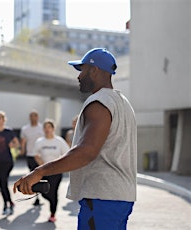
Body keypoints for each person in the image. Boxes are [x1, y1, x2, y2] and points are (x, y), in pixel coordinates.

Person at [14, 48, 137, 229]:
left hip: (102, 197)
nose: (78, 77)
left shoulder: (99, 103)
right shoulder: (123, 103)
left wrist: (39, 172)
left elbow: (87, 152)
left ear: (94, 71)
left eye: (82, 70)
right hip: (120, 197)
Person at [33, 119, 70, 223]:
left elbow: (67, 154)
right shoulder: (40, 141)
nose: (47, 129)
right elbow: (36, 154)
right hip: (44, 171)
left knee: (53, 192)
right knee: (43, 192)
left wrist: (60, 165)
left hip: (56, 172)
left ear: (53, 129)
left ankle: (53, 213)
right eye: (45, 127)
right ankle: (51, 202)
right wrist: (41, 165)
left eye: (49, 127)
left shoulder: (59, 141)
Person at [20, 110, 44, 206]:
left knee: (42, 175)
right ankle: (37, 197)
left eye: (35, 115)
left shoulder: (42, 127)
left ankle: (43, 192)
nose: (33, 117)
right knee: (32, 175)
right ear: (29, 117)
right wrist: (22, 150)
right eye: (31, 116)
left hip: (40, 155)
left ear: (38, 117)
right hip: (30, 155)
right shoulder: (25, 129)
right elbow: (23, 141)